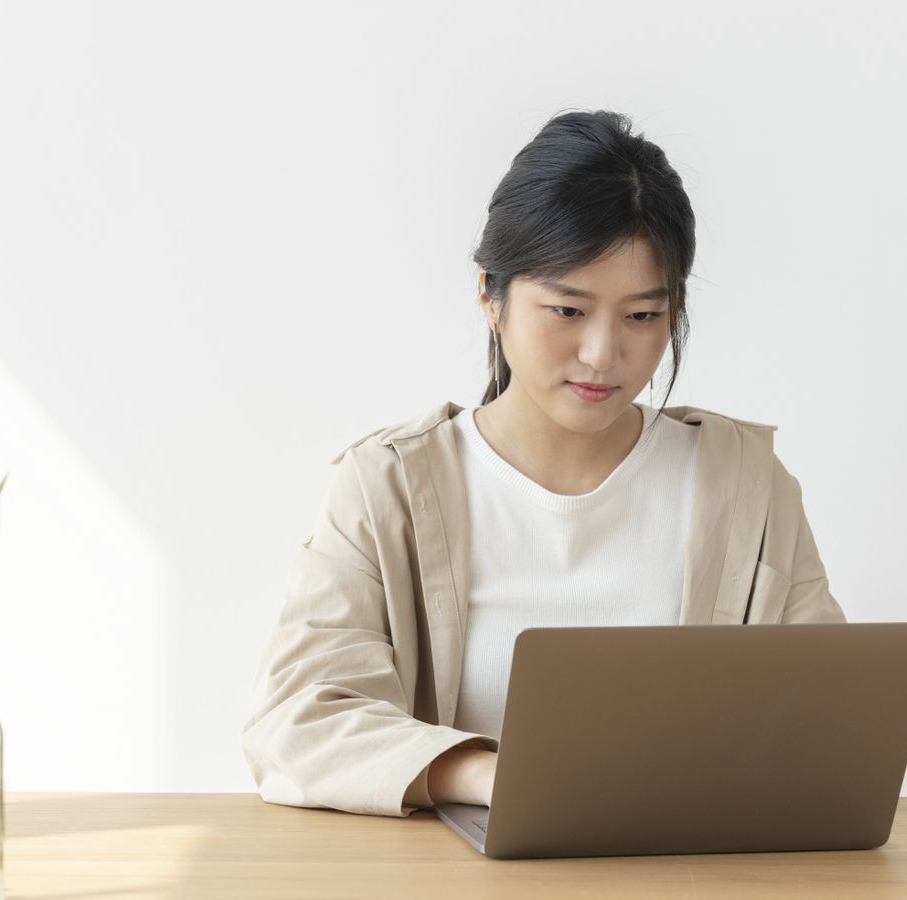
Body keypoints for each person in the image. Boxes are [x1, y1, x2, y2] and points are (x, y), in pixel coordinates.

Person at [241, 108, 846, 819]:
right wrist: (490, 775)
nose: (602, 352)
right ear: (490, 298)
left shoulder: (744, 483)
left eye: (643, 317)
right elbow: (296, 722)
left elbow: (831, 721)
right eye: (567, 310)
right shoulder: (389, 486)